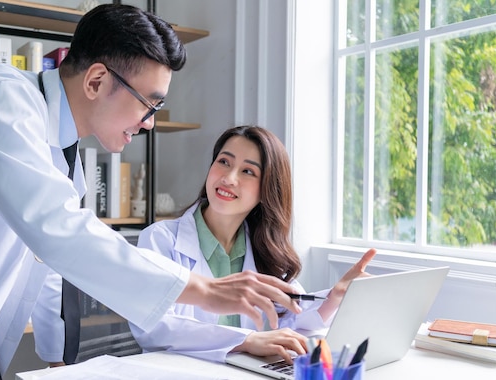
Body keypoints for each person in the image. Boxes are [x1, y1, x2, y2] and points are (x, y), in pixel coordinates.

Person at [0, 5, 302, 379]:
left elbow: (45, 260)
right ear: (96, 81)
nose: (148, 123)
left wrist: (57, 356)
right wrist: (205, 290)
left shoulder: (63, 154)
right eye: (149, 103)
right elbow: (57, 230)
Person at [129, 125, 377, 363]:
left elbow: (292, 322)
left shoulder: (265, 250)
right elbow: (153, 326)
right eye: (223, 162)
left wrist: (334, 298)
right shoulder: (160, 240)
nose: (229, 178)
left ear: (266, 190)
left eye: (248, 171)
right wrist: (246, 340)